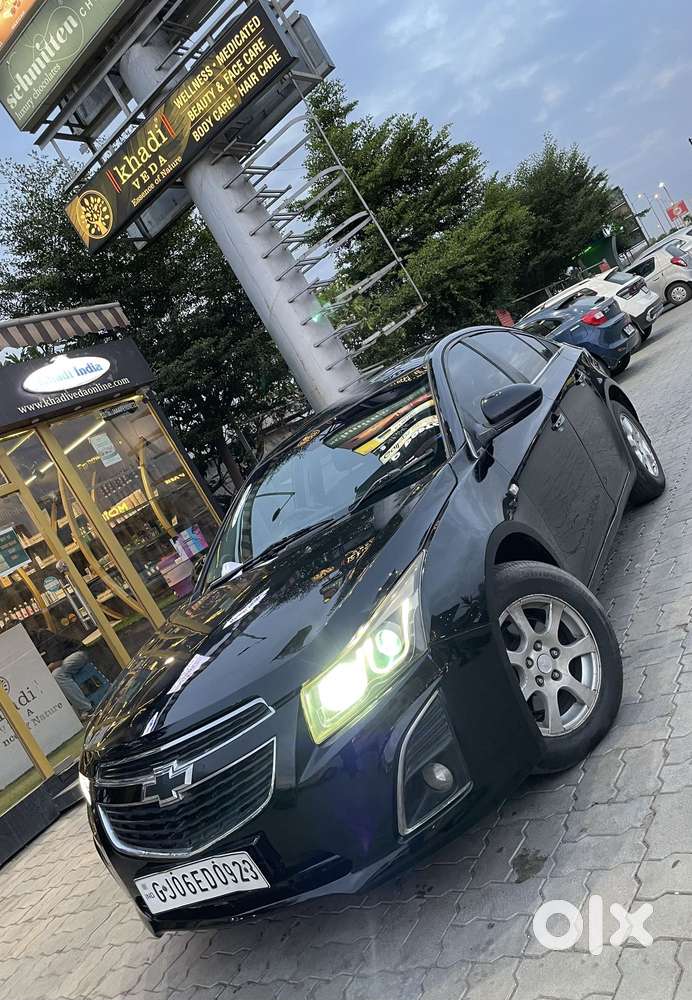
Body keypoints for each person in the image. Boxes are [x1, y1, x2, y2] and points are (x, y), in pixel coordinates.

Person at [27, 625, 94, 722]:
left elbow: (57, 661)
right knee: (44, 682)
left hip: (76, 653)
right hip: (60, 663)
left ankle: (87, 709)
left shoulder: (42, 634)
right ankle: (71, 716)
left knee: (57, 675)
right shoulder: (28, 647)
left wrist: (42, 674)